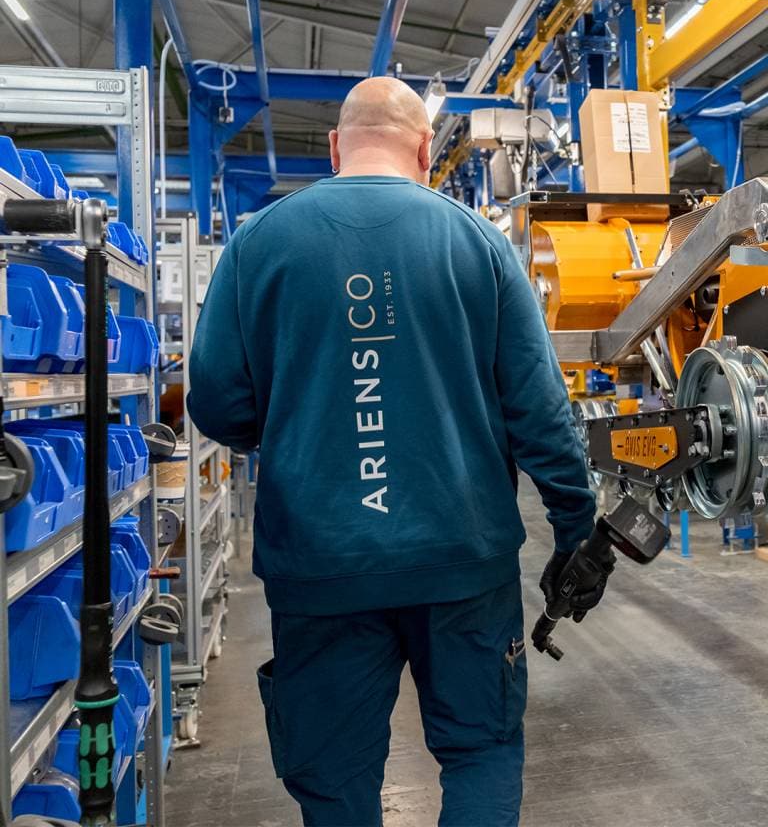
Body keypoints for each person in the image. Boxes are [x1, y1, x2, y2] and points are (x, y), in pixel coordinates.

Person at [188, 77, 603, 827]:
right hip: (462, 562)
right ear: (423, 148)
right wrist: (577, 528)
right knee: (479, 752)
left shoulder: (260, 243)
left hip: (320, 562)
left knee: (335, 781)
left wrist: (299, 433)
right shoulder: (478, 244)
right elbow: (540, 414)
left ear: (336, 145)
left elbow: (216, 402)